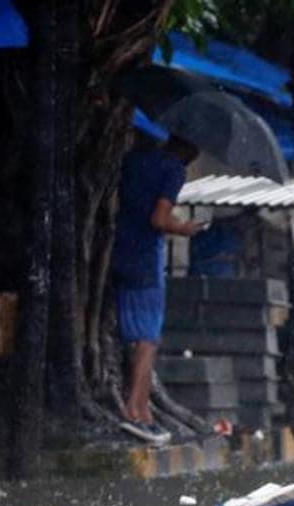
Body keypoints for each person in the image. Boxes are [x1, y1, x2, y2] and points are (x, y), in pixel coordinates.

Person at [112, 134, 203, 444]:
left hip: (118, 251)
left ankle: (146, 413)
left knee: (131, 334)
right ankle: (134, 410)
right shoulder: (173, 169)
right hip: (146, 260)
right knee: (148, 340)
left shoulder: (134, 159)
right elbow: (159, 217)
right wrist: (185, 228)